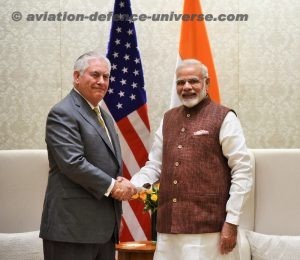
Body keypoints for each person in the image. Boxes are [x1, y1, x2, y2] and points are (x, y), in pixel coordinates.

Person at [131, 59, 252, 259]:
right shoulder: (168, 118)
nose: (186, 87)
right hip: (168, 229)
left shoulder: (224, 117)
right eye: (180, 82)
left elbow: (242, 170)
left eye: (193, 81)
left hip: (208, 231)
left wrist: (232, 222)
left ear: (207, 83)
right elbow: (155, 165)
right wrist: (132, 185)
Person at [39, 51, 136, 260]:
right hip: (72, 229)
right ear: (76, 77)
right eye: (95, 75)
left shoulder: (105, 117)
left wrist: (119, 180)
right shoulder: (63, 112)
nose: (101, 81)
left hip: (104, 231)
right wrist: (114, 186)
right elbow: (72, 163)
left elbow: (108, 164)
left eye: (106, 77)